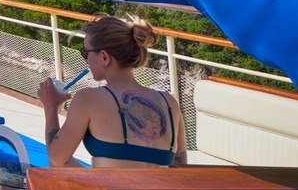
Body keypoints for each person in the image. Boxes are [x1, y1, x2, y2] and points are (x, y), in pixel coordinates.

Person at [37, 14, 187, 167]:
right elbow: (180, 165)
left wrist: (50, 107)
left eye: (86, 53)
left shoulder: (88, 99)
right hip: (158, 183)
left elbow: (56, 157)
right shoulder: (170, 102)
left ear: (104, 57)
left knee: (56, 163)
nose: (86, 60)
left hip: (108, 184)